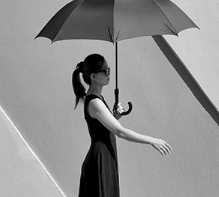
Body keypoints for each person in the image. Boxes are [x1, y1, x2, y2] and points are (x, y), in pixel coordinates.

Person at [72, 53, 172, 197]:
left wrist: (115, 117)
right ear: (93, 76)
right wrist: (151, 140)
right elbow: (120, 132)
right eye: (105, 71)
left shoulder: (98, 99)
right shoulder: (95, 102)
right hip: (100, 159)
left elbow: (104, 129)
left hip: (105, 157)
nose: (108, 74)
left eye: (109, 70)